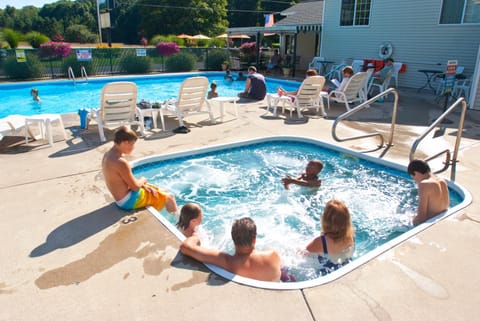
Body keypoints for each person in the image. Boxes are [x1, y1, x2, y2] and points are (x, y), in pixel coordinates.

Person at [102, 125, 178, 213]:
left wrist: (142, 185)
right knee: (169, 197)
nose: (133, 148)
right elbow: (135, 188)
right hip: (127, 201)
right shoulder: (121, 162)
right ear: (125, 143)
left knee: (160, 191)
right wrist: (143, 180)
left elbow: (124, 181)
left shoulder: (108, 155)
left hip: (120, 199)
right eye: (132, 144)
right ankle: (180, 224)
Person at [180, 217, 281, 282]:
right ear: (254, 239)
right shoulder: (273, 256)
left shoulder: (227, 261)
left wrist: (195, 236)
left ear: (233, 239)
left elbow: (186, 247)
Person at [306, 199, 355, 274]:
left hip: (327, 273)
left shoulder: (321, 242)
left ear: (325, 220)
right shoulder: (351, 236)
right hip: (346, 268)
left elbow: (304, 253)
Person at [407, 159, 449, 225]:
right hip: (442, 219)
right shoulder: (442, 181)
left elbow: (421, 218)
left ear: (416, 173)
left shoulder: (424, 184)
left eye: (413, 177)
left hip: (431, 225)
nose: (415, 181)